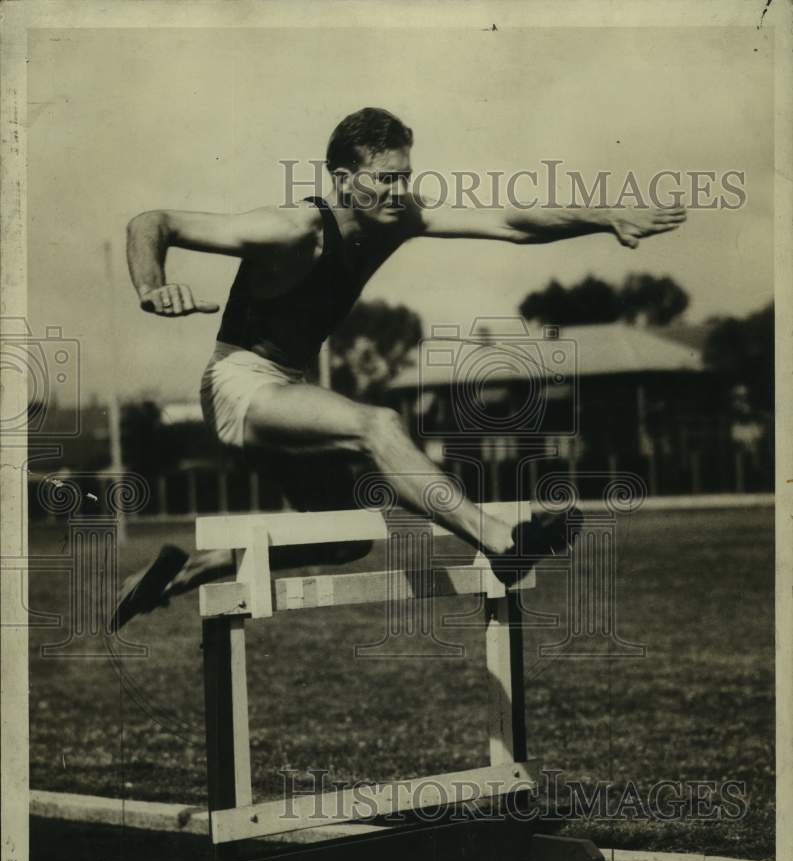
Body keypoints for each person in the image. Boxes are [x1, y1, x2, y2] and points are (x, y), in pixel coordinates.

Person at [113, 107, 686, 629]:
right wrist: (152, 288)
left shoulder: (398, 219)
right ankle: (500, 540)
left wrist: (606, 217)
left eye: (404, 176)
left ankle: (182, 573)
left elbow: (510, 223)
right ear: (341, 178)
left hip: (289, 390)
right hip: (238, 383)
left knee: (342, 541)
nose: (398, 190)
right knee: (378, 425)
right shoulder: (292, 230)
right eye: (384, 178)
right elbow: (151, 221)